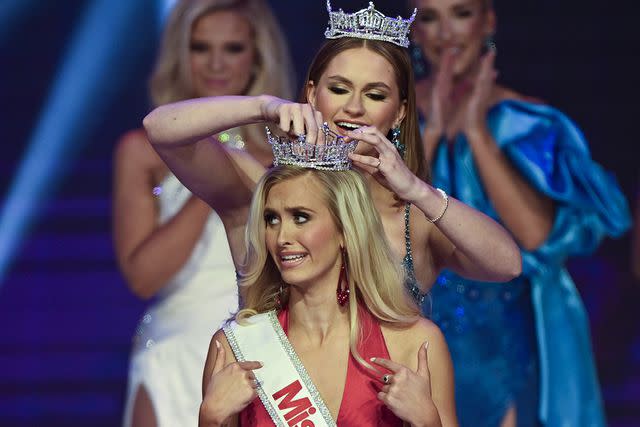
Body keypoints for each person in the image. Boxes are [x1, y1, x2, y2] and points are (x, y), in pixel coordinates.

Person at [142, 1, 522, 316]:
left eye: (374, 95)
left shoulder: (414, 218)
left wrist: (418, 191)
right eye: (339, 89)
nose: (353, 107)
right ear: (312, 94)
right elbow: (161, 129)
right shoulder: (257, 190)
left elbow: (507, 264)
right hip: (281, 406)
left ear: (400, 112)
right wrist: (263, 105)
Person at [409, 0, 632, 425]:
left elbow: (535, 237)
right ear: (416, 32)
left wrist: (477, 132)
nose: (445, 33)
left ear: (487, 21)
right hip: (421, 320)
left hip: (514, 331)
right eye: (430, 18)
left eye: (461, 13)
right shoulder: (392, 119)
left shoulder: (527, 122)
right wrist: (432, 131)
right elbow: (394, 223)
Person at [112, 0, 294, 425]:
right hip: (174, 351)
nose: (216, 64)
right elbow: (142, 277)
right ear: (181, 54)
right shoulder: (143, 151)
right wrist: (210, 172)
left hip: (260, 349)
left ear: (257, 55)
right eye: (200, 48)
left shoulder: (286, 154)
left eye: (232, 48)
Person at [199, 163, 458, 426]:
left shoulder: (414, 343)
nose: (281, 237)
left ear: (345, 230)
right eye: (271, 219)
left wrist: (428, 421)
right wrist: (210, 418)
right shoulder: (236, 347)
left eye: (300, 217)